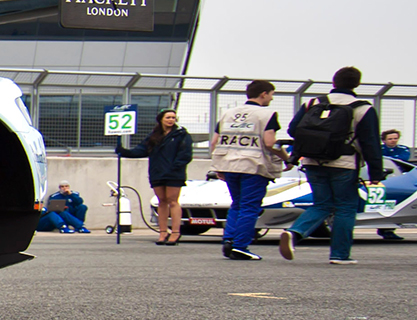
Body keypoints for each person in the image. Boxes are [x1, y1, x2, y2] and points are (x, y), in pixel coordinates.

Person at [280, 66, 385, 266]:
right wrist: (376, 174)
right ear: (357, 84)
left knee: (322, 204)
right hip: (344, 163)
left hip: (312, 161)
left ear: (334, 82)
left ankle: (295, 232)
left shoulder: (313, 103)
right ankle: (340, 255)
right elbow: (371, 143)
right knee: (345, 207)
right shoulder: (363, 108)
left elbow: (294, 130)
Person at [204, 80, 289, 261]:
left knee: (237, 204)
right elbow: (270, 142)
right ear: (264, 94)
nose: (272, 99)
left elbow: (214, 142)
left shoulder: (228, 114)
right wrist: (286, 158)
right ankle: (240, 246)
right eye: (271, 95)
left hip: (229, 165)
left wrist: (218, 165)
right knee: (250, 207)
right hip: (253, 166)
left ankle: (229, 240)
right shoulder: (267, 114)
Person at [125, 108, 193, 245]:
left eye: (173, 117)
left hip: (174, 173)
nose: (171, 120)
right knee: (162, 201)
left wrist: (175, 167)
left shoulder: (181, 135)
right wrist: (124, 151)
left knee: (172, 201)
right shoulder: (154, 135)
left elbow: (185, 154)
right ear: (161, 119)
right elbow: (142, 150)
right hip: (157, 172)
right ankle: (163, 232)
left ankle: (175, 232)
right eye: (168, 117)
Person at [375, 130, 414, 240]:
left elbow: (402, 159)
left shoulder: (403, 149)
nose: (393, 141)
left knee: (393, 203)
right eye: (390, 139)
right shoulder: (378, 148)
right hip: (380, 179)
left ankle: (388, 230)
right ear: (384, 140)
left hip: (397, 178)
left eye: (395, 138)